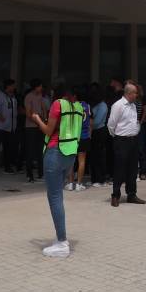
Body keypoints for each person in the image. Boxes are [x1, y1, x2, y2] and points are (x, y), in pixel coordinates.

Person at [30, 83, 86, 258]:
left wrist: (37, 119)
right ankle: (61, 238)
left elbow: (48, 130)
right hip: (70, 154)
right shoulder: (79, 107)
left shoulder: (57, 105)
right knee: (58, 197)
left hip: (55, 152)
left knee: (54, 197)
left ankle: (62, 242)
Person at [107, 81, 145, 206]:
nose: (137, 95)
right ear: (129, 93)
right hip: (121, 140)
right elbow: (111, 125)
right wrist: (117, 137)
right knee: (120, 168)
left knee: (133, 168)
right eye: (135, 93)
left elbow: (134, 121)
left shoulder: (133, 105)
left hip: (133, 139)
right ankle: (115, 195)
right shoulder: (118, 105)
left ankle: (131, 194)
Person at [23, 78, 50, 183]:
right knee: (30, 150)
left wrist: (44, 119)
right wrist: (38, 122)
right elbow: (28, 113)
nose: (41, 88)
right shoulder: (28, 97)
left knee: (41, 150)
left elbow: (44, 108)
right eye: (40, 86)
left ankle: (41, 174)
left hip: (40, 126)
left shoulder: (40, 96)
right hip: (31, 127)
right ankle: (29, 175)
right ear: (36, 87)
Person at [67, 85, 91, 192]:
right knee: (82, 161)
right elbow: (90, 121)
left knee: (71, 161)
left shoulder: (72, 106)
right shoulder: (87, 106)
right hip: (84, 135)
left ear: (75, 96)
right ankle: (79, 184)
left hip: (73, 136)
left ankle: (71, 183)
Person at [88, 83, 111, 187]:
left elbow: (97, 122)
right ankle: (94, 179)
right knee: (93, 156)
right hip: (93, 132)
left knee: (99, 156)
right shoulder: (96, 105)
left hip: (100, 131)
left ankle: (100, 179)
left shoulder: (102, 105)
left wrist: (89, 123)